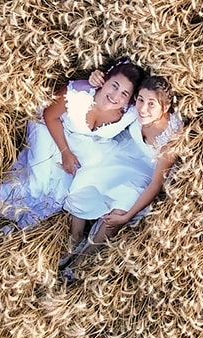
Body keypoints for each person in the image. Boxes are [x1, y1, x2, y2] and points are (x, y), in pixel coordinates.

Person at [0, 60, 144, 242]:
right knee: (37, 181)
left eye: (124, 93)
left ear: (131, 98)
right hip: (51, 129)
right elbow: (49, 116)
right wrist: (65, 152)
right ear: (103, 80)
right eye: (114, 86)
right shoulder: (78, 93)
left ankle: (14, 228)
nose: (116, 96)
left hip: (78, 143)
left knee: (60, 192)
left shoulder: (128, 113)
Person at [58, 71, 182, 270]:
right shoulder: (134, 110)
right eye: (140, 99)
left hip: (146, 171)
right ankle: (76, 235)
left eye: (152, 104)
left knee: (122, 205)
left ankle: (86, 255)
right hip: (123, 153)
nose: (143, 108)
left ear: (165, 107)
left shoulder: (170, 136)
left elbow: (156, 183)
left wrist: (128, 215)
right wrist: (94, 81)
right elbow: (108, 96)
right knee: (87, 180)